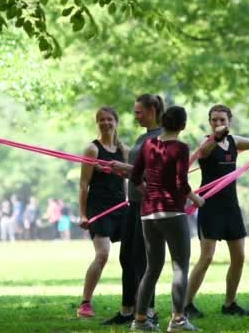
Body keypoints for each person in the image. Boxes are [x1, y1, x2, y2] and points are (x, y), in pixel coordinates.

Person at [129, 106, 204, 332]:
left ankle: (140, 320)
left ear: (163, 122)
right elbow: (181, 183)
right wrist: (195, 199)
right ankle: (178, 320)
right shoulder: (180, 148)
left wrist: (150, 193)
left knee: (152, 268)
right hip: (172, 213)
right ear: (182, 125)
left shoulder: (148, 145)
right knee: (180, 266)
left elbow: (134, 177)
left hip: (148, 214)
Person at [184, 104, 249, 319]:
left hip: (231, 206)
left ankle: (230, 303)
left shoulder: (234, 142)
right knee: (206, 258)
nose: (218, 123)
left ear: (229, 121)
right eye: (214, 120)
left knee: (239, 257)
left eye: (222, 120)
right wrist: (215, 136)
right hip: (209, 206)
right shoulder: (207, 142)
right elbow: (203, 152)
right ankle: (186, 304)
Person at [104, 94, 164, 326]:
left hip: (149, 207)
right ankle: (127, 310)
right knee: (126, 257)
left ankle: (148, 311)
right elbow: (138, 169)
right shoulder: (143, 137)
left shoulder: (160, 138)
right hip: (134, 203)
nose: (135, 115)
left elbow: (156, 174)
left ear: (151, 110)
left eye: (139, 112)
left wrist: (126, 168)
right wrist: (122, 170)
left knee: (143, 260)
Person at [77, 107, 129, 318]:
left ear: (116, 122)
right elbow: (83, 184)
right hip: (98, 206)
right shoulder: (92, 149)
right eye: (101, 120)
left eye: (109, 119)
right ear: (97, 123)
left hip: (120, 206)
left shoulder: (123, 150)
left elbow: (126, 179)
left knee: (132, 256)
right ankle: (85, 303)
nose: (106, 123)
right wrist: (82, 214)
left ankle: (132, 303)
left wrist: (126, 202)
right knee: (103, 254)